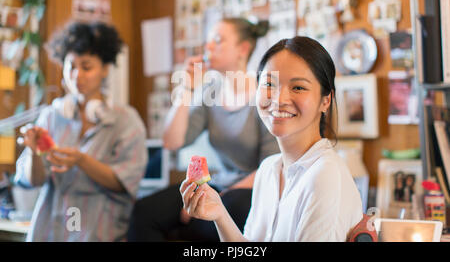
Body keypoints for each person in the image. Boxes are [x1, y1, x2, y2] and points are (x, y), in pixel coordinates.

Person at [180, 36, 363, 242]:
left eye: (298, 87)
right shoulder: (268, 170)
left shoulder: (325, 174)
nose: (279, 99)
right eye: (269, 84)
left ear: (325, 100)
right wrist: (220, 215)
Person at [127, 17, 280, 241]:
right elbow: (172, 141)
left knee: (217, 214)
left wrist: (217, 197)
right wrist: (187, 87)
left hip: (250, 189)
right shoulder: (210, 92)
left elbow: (271, 166)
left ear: (243, 49)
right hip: (216, 184)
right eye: (208, 41)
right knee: (144, 212)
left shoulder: (262, 95)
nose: (208, 47)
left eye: (217, 40)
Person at [15, 21, 148, 241]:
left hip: (97, 231)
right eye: (71, 66)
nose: (77, 75)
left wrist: (81, 161)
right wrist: (32, 152)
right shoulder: (51, 116)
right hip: (49, 230)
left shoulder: (126, 121)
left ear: (105, 69)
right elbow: (34, 181)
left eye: (86, 67)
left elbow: (125, 182)